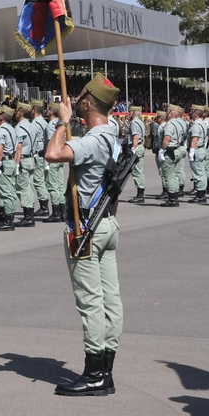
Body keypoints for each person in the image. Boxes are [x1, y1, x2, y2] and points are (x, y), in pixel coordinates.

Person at [44, 75, 124, 397]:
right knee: (110, 300)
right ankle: (106, 369)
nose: (75, 99)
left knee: (91, 301)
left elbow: (53, 153)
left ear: (89, 103)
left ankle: (94, 374)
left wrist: (63, 123)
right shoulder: (114, 136)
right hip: (107, 223)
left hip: (86, 228)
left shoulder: (93, 140)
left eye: (80, 97)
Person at [127, 107, 148, 203]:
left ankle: (140, 195)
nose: (128, 113)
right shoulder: (140, 122)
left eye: (130, 111)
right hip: (140, 146)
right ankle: (140, 193)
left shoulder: (134, 123)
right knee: (139, 170)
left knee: (137, 171)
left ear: (134, 112)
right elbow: (143, 138)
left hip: (136, 147)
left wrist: (133, 149)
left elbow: (136, 136)